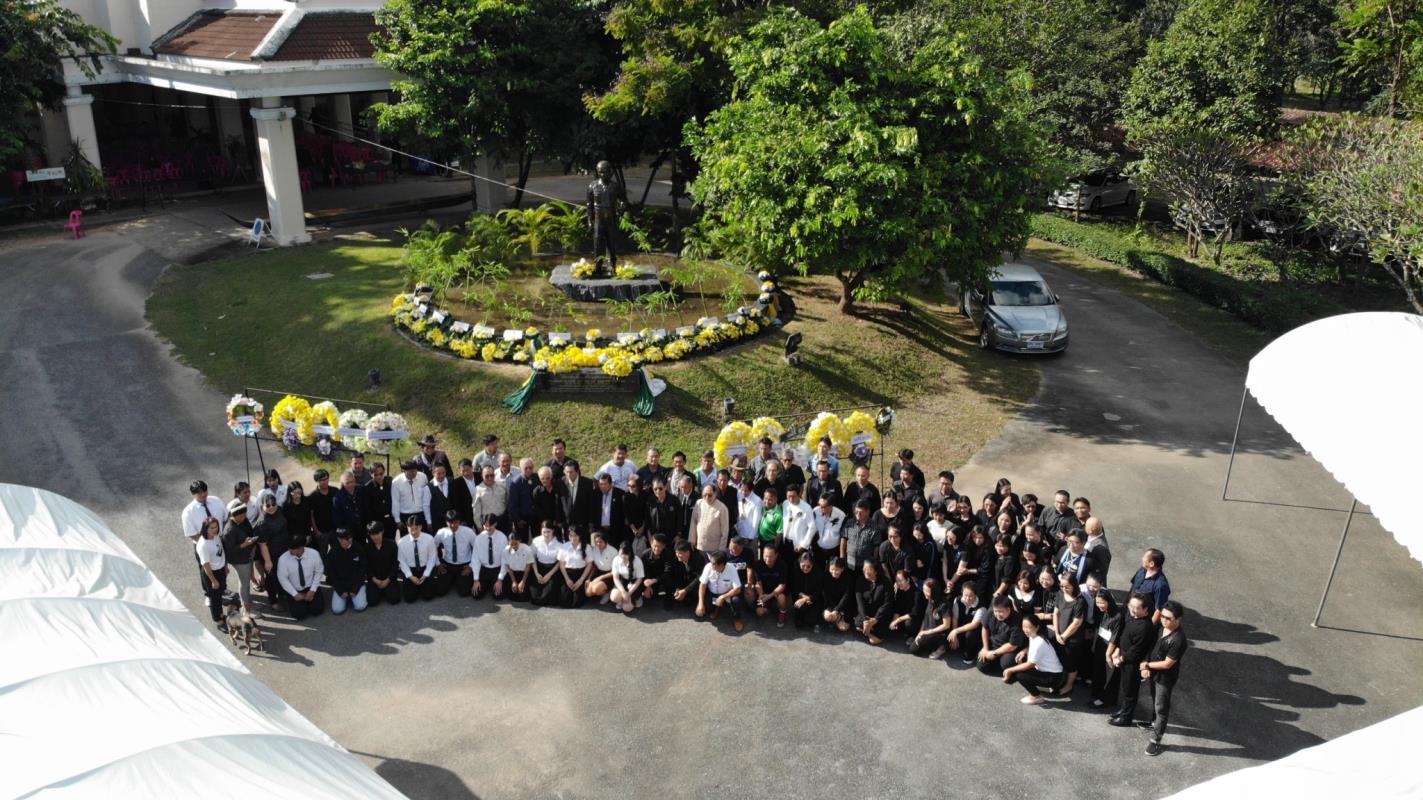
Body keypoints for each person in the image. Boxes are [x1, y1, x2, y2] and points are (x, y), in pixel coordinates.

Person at [1142, 601, 1189, 756]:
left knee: (1161, 707)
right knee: (1154, 698)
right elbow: (1153, 648)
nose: (1163, 620)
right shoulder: (1163, 628)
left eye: (1168, 618)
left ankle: (1156, 740)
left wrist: (1146, 665)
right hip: (1154, 672)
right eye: (1162, 616)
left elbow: (1168, 664)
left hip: (1165, 678)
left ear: (1178, 619)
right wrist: (1147, 666)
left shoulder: (1178, 639)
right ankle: (1154, 723)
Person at [1108, 593, 1159, 727]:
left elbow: (1137, 650)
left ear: (1145, 609)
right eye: (1131, 606)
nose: (1132, 610)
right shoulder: (1133, 617)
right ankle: (1123, 710)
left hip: (1132, 663)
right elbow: (1125, 636)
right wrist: (1118, 650)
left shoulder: (1145, 627)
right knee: (1125, 688)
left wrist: (1121, 658)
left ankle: (1126, 718)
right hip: (1125, 659)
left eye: (1136, 608)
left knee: (1130, 691)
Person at [1002, 614, 1067, 705]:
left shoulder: (1039, 642)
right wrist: (1025, 651)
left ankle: (1037, 696)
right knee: (1019, 668)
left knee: (1020, 675)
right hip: (1050, 673)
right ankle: (1044, 687)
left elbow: (1030, 664)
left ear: (1037, 627)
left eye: (1028, 627)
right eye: (1024, 626)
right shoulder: (1034, 636)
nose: (1025, 630)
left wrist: (1010, 670)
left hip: (1054, 677)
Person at [220, 499, 259, 618]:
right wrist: (244, 545)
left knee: (246, 582)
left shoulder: (244, 521)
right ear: (233, 515)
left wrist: (253, 548)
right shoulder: (229, 530)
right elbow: (229, 550)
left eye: (244, 515)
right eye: (241, 516)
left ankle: (248, 602)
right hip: (239, 560)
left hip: (248, 555)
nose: (244, 517)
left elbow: (251, 532)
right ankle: (245, 608)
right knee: (244, 583)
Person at [1052, 573, 1090, 694]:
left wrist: (1064, 636)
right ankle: (1059, 681)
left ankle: (1069, 685)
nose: (1064, 589)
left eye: (1067, 587)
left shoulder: (1080, 601)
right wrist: (1057, 633)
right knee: (1059, 659)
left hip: (1073, 639)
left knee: (1071, 663)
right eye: (1062, 586)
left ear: (1074, 585)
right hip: (1059, 635)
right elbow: (1056, 613)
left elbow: (1077, 623)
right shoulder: (1059, 594)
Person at [253, 492, 289, 608]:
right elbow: (263, 545)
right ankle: (273, 601)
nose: (271, 507)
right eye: (267, 505)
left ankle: (282, 593)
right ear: (262, 507)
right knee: (271, 577)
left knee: (282, 574)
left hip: (283, 551)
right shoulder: (262, 523)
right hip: (270, 554)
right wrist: (268, 562)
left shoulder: (279, 511)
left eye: (273, 504)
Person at [1089, 585, 1124, 709]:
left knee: (1109, 675)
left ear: (1109, 601)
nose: (1100, 605)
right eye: (1098, 602)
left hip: (1111, 648)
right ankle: (1097, 694)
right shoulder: (1101, 612)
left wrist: (1108, 654)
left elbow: (1115, 637)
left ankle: (1106, 700)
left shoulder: (1117, 616)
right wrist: (1095, 644)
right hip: (1101, 644)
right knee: (1098, 671)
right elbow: (1098, 629)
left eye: (1102, 602)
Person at [278, 534, 325, 621]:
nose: (289, 550)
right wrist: (294, 594)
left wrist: (313, 590)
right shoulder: (283, 559)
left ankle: (309, 603)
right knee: (299, 615)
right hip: (295, 589)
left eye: (292, 549)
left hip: (310, 587)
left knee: (317, 610)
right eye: (289, 548)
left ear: (301, 548)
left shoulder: (314, 554)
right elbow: (282, 578)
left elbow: (319, 571)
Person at [696, 550, 746, 632]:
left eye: (714, 564)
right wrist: (700, 603)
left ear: (722, 565)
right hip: (712, 593)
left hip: (727, 594)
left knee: (736, 600)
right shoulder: (708, 566)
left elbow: (737, 589)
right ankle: (716, 609)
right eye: (711, 563)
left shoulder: (732, 569)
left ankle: (737, 619)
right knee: (701, 612)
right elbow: (702, 585)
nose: (711, 566)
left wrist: (723, 597)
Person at [977, 596, 1027, 676]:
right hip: (993, 644)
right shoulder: (991, 612)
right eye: (995, 611)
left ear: (1009, 609)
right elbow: (985, 628)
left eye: (1001, 612)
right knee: (982, 666)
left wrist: (994, 653)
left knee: (1006, 663)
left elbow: (1013, 645)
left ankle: (1010, 668)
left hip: (1009, 648)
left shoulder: (1017, 620)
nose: (997, 614)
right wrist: (985, 648)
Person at [195, 517, 229, 631]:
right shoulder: (203, 544)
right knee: (214, 598)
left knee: (220, 594)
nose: (215, 529)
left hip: (220, 569)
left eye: (216, 527)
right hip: (212, 573)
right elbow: (206, 565)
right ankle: (218, 620)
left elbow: (221, 552)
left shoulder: (216, 536)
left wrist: (225, 566)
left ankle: (221, 614)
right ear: (206, 529)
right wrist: (213, 580)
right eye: (212, 528)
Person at [397, 515, 439, 602]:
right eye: (411, 529)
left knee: (428, 596)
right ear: (407, 527)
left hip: (425, 568)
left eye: (416, 528)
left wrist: (426, 574)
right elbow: (402, 561)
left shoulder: (429, 539)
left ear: (421, 527)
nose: (414, 532)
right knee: (410, 599)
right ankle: (416, 587)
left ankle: (423, 587)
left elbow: (432, 558)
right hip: (411, 570)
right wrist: (410, 576)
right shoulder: (402, 542)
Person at [435, 510, 475, 597]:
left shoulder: (469, 532)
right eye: (450, 523)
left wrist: (471, 566)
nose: (453, 525)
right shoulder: (441, 532)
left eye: (455, 522)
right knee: (439, 591)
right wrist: (438, 564)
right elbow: (432, 548)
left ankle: (457, 579)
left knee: (464, 592)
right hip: (448, 565)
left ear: (459, 521)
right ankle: (453, 579)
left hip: (464, 565)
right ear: (446, 522)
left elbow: (477, 549)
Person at [946, 583, 989, 664]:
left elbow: (974, 625)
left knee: (970, 635)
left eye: (970, 596)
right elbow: (955, 618)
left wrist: (955, 631)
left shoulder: (982, 606)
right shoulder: (957, 600)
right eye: (965, 595)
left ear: (975, 594)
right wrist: (954, 635)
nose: (967, 598)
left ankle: (970, 655)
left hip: (975, 630)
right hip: (962, 626)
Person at [328, 528, 368, 614]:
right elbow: (332, 573)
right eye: (346, 539)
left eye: (350, 537)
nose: (349, 540)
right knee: (337, 610)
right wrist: (340, 590)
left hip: (356, 584)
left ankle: (357, 594)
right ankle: (347, 598)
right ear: (339, 539)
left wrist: (355, 589)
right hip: (341, 585)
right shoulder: (332, 552)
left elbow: (362, 570)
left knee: (360, 606)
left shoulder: (359, 548)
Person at [747, 544, 789, 626]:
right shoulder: (758, 564)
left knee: (781, 598)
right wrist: (761, 595)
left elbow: (782, 585)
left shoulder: (782, 565)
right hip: (764, 591)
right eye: (765, 556)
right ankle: (769, 610)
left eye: (770, 557)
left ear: (776, 555)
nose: (768, 559)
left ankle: (782, 612)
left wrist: (769, 596)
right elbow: (758, 582)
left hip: (777, 592)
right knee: (759, 612)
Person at [908, 579, 951, 656]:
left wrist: (927, 632)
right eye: (924, 589)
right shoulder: (930, 600)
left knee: (919, 646)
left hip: (939, 633)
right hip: (928, 631)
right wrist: (920, 633)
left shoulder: (944, 604)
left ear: (934, 591)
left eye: (927, 591)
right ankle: (927, 644)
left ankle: (942, 647)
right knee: (913, 648)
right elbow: (925, 618)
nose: (924, 592)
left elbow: (946, 625)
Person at [853, 559, 892, 645]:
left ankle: (868, 631)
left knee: (874, 641)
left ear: (876, 571)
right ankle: (869, 631)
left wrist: (875, 619)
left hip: (880, 615)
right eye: (864, 568)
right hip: (867, 614)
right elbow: (860, 602)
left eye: (869, 569)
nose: (866, 571)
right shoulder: (860, 580)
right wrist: (865, 620)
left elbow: (887, 603)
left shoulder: (886, 583)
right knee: (858, 623)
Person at [364, 521, 401, 607]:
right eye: (372, 534)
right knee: (372, 601)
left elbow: (395, 564)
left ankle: (386, 590)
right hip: (374, 580)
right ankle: (381, 591)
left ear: (382, 532)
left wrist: (388, 580)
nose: (375, 537)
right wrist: (374, 580)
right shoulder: (366, 547)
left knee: (394, 599)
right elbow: (366, 567)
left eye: (377, 533)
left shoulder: (391, 544)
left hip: (389, 578)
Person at [1130, 549, 1171, 624]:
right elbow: (1132, 588)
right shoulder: (1141, 570)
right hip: (1130, 613)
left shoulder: (1160, 585)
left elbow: (1159, 609)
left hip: (1142, 621)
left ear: (1151, 564)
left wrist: (1149, 627)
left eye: (1144, 557)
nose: (1142, 558)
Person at [472, 513, 508, 600]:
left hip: (497, 569)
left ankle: (492, 585)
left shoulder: (502, 538)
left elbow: (505, 560)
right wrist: (476, 579)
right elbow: (475, 559)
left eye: (490, 525)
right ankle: (487, 585)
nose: (488, 528)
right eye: (485, 525)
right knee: (476, 595)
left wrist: (500, 579)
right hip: (484, 569)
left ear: (495, 524)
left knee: (498, 596)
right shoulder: (478, 538)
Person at [530, 522, 566, 607]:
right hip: (539, 569)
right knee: (535, 597)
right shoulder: (536, 541)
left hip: (553, 571)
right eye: (544, 532)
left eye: (548, 531)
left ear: (553, 530)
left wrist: (549, 575)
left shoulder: (559, 544)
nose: (546, 534)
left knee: (549, 597)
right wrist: (536, 573)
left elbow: (559, 562)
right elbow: (532, 558)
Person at [886, 569, 927, 645]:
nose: (898, 583)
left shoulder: (917, 593)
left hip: (916, 619)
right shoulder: (900, 590)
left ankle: (912, 635)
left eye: (900, 581)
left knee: (909, 623)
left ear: (908, 580)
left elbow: (914, 613)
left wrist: (897, 620)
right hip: (904, 616)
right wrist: (894, 620)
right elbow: (897, 607)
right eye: (897, 581)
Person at [841, 499, 881, 572]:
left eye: (860, 512)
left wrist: (873, 564)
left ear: (867, 512)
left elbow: (876, 548)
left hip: (865, 566)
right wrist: (842, 558)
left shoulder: (874, 527)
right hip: (849, 563)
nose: (858, 514)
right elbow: (843, 540)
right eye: (856, 512)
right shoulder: (849, 523)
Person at [666, 541, 707, 612]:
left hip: (693, 582)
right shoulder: (676, 558)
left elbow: (699, 577)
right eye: (676, 552)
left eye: (680, 553)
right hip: (683, 579)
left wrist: (686, 590)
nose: (677, 555)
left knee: (689, 600)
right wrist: (677, 588)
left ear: (687, 552)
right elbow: (675, 573)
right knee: (668, 578)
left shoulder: (698, 559)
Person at [690, 483, 732, 553]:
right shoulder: (699, 503)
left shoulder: (722, 508)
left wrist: (721, 550)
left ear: (715, 494)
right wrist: (692, 541)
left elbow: (725, 531)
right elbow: (693, 522)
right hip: (700, 546)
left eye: (710, 495)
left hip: (715, 549)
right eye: (704, 495)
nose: (707, 497)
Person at [558, 526, 594, 608]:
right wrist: (567, 580)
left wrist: (581, 580)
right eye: (570, 535)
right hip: (567, 574)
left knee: (577, 602)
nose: (573, 538)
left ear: (580, 535)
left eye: (575, 535)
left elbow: (590, 564)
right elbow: (561, 564)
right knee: (565, 600)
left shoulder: (587, 547)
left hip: (581, 574)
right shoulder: (564, 546)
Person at [391, 460, 431, 531]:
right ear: (404, 471)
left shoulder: (423, 477)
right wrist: (397, 520)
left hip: (421, 514)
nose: (414, 473)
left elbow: (427, 497)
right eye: (411, 471)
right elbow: (395, 502)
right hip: (405, 515)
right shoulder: (396, 482)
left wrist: (428, 519)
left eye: (415, 470)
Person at [788, 552, 823, 629]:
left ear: (812, 565)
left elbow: (819, 591)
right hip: (799, 598)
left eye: (808, 566)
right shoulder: (795, 571)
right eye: (803, 565)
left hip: (813, 600)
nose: (805, 568)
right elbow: (793, 588)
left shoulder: (818, 572)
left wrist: (807, 598)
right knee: (799, 623)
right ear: (799, 563)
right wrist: (802, 597)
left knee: (811, 620)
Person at [592, 474, 628, 548]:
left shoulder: (620, 494)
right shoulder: (596, 493)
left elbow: (623, 513)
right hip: (600, 530)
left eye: (605, 484)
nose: (603, 486)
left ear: (611, 484)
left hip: (615, 531)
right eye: (601, 484)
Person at [811, 493, 846, 569]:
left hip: (833, 551)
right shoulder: (815, 511)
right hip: (818, 549)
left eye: (823, 506)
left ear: (831, 506)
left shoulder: (841, 516)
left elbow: (843, 536)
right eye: (819, 505)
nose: (820, 508)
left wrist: (842, 556)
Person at [609, 542, 646, 614]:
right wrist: (623, 592)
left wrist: (628, 594)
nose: (622, 557)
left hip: (634, 583)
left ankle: (636, 598)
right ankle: (622, 600)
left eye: (625, 554)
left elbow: (639, 579)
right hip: (623, 581)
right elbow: (615, 578)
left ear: (629, 553)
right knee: (614, 597)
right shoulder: (616, 559)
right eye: (620, 554)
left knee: (627, 608)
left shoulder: (637, 561)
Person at [821, 557, 856, 633]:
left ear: (842, 569)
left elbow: (847, 596)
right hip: (831, 604)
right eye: (832, 569)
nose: (834, 572)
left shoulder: (848, 578)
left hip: (844, 606)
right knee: (827, 617)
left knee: (844, 628)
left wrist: (837, 609)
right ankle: (837, 619)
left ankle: (839, 618)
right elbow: (826, 594)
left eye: (836, 570)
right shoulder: (826, 577)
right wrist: (834, 609)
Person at [360, 461, 394, 537]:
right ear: (371, 474)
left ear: (384, 472)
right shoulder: (367, 488)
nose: (379, 477)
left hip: (391, 521)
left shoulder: (390, 482)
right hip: (377, 523)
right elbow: (367, 509)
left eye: (381, 474)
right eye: (375, 475)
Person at [561, 460, 598, 530]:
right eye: (566, 472)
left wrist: (591, 522)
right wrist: (559, 521)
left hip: (582, 523)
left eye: (571, 472)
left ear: (577, 471)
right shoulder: (560, 483)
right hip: (566, 523)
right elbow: (558, 503)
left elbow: (591, 503)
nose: (568, 475)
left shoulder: (587, 483)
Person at [584, 529, 618, 603]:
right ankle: (600, 590)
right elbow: (594, 566)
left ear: (606, 541)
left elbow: (615, 571)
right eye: (596, 542)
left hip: (609, 575)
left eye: (601, 542)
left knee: (595, 589)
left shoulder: (613, 551)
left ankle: (607, 592)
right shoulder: (595, 549)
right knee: (588, 593)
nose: (598, 544)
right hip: (598, 572)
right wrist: (589, 578)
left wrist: (599, 578)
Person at [500, 531, 534, 602]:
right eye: (511, 544)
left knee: (524, 595)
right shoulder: (505, 551)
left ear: (520, 540)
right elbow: (508, 566)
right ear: (508, 542)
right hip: (513, 573)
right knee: (510, 593)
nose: (514, 546)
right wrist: (514, 581)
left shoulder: (527, 549)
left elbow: (528, 566)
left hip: (525, 574)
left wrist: (523, 582)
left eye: (516, 543)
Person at [308, 469, 337, 555]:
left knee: (337, 552)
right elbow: (311, 516)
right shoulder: (312, 496)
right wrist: (316, 532)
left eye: (326, 479)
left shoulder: (335, 491)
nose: (325, 481)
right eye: (322, 480)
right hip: (322, 533)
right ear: (316, 481)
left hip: (335, 530)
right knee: (323, 554)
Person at [474, 466, 510, 532]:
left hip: (503, 520)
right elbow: (476, 510)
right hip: (488, 523)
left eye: (492, 475)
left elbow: (508, 502)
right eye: (487, 476)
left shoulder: (502, 486)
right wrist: (479, 526)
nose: (490, 478)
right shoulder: (478, 490)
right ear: (482, 476)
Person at [640, 533, 672, 605]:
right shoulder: (645, 555)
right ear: (651, 544)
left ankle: (668, 596)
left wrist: (654, 580)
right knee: (649, 596)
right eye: (655, 546)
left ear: (664, 546)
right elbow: (644, 572)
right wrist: (648, 586)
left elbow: (668, 572)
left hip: (662, 578)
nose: (657, 549)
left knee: (670, 581)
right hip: (649, 579)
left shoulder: (668, 554)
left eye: (659, 546)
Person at [332, 471, 365, 540]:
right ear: (342, 484)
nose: (350, 485)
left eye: (352, 482)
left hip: (363, 529)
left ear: (355, 481)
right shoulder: (338, 498)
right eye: (347, 483)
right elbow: (337, 519)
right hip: (348, 532)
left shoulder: (361, 490)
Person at [1084, 516, 1112, 584]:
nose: (1084, 527)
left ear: (1091, 530)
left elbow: (1101, 571)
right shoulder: (1092, 536)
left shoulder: (1101, 549)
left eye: (1086, 526)